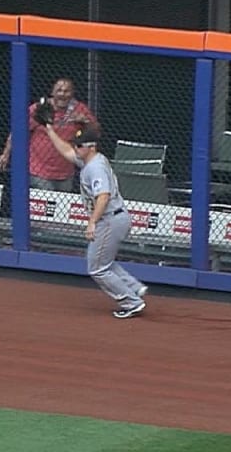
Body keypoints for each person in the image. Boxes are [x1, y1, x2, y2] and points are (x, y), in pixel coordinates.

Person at [43, 124, 148, 319]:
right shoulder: (90, 161)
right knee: (103, 262)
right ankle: (134, 287)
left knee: (97, 268)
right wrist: (49, 129)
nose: (75, 148)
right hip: (115, 217)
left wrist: (92, 222)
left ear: (91, 147)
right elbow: (66, 151)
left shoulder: (95, 168)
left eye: (79, 146)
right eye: (76, 145)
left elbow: (103, 196)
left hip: (109, 219)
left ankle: (131, 302)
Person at [0, 78, 97, 192]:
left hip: (65, 172)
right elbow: (18, 131)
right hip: (39, 170)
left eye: (66, 91)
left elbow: (96, 132)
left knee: (61, 205)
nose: (62, 94)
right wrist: (6, 154)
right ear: (52, 92)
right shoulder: (39, 108)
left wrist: (85, 121)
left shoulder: (80, 109)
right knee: (45, 203)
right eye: (59, 90)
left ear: (72, 93)